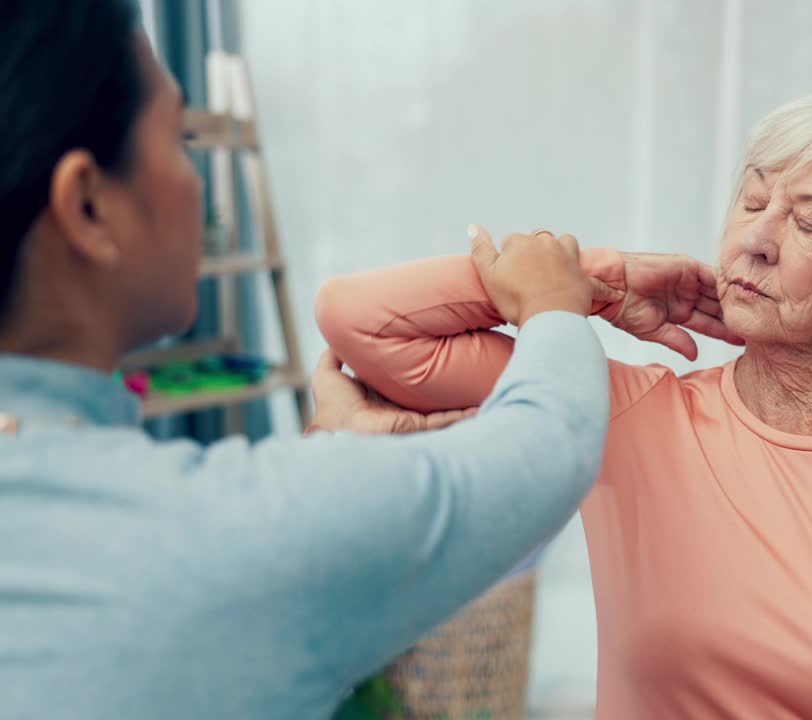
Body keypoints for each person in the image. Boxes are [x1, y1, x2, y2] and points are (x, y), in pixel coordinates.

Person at [319, 93, 812, 718]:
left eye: (808, 223)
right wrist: (595, 282)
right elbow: (361, 319)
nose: (755, 240)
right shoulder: (622, 415)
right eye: (753, 202)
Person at [0, 2, 619, 718]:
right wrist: (552, 303)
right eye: (178, 141)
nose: (200, 184)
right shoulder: (214, 537)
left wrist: (331, 458)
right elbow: (547, 450)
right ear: (87, 208)